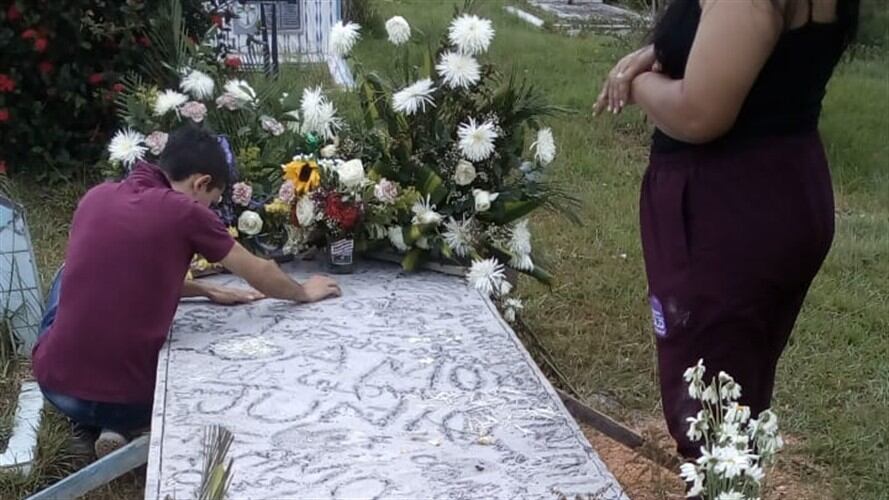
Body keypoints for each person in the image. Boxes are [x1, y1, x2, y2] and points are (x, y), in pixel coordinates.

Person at [595, 0, 858, 459]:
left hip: (727, 211)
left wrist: (637, 83)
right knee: (735, 394)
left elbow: (699, 114)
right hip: (779, 190)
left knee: (711, 415)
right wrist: (662, 49)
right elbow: (754, 50)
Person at [32, 125, 342, 458]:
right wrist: (303, 292)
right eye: (213, 199)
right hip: (134, 404)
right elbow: (259, 271)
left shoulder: (97, 196)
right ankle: (114, 424)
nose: (210, 208)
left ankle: (86, 426)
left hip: (57, 387)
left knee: (72, 274)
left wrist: (204, 290)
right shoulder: (186, 212)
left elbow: (124, 274)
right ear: (201, 183)